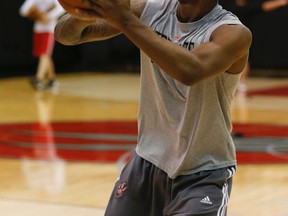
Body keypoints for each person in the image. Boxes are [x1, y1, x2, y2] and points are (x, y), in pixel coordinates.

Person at [55, 0, 252, 215]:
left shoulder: (232, 33)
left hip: (202, 173)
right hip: (146, 161)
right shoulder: (150, 9)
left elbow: (191, 70)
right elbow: (65, 35)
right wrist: (89, 11)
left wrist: (123, 19)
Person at [219, 0, 288, 92]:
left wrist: (281, 2)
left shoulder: (250, 6)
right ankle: (224, 82)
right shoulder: (227, 6)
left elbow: (265, 6)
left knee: (244, 60)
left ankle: (241, 83)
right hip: (228, 36)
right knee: (226, 60)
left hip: (243, 37)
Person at [19, 0, 65, 91]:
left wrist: (47, 16)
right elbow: (23, 10)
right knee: (44, 54)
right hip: (38, 29)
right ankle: (52, 79)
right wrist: (38, 14)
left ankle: (38, 78)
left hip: (49, 29)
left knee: (44, 53)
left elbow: (61, 8)